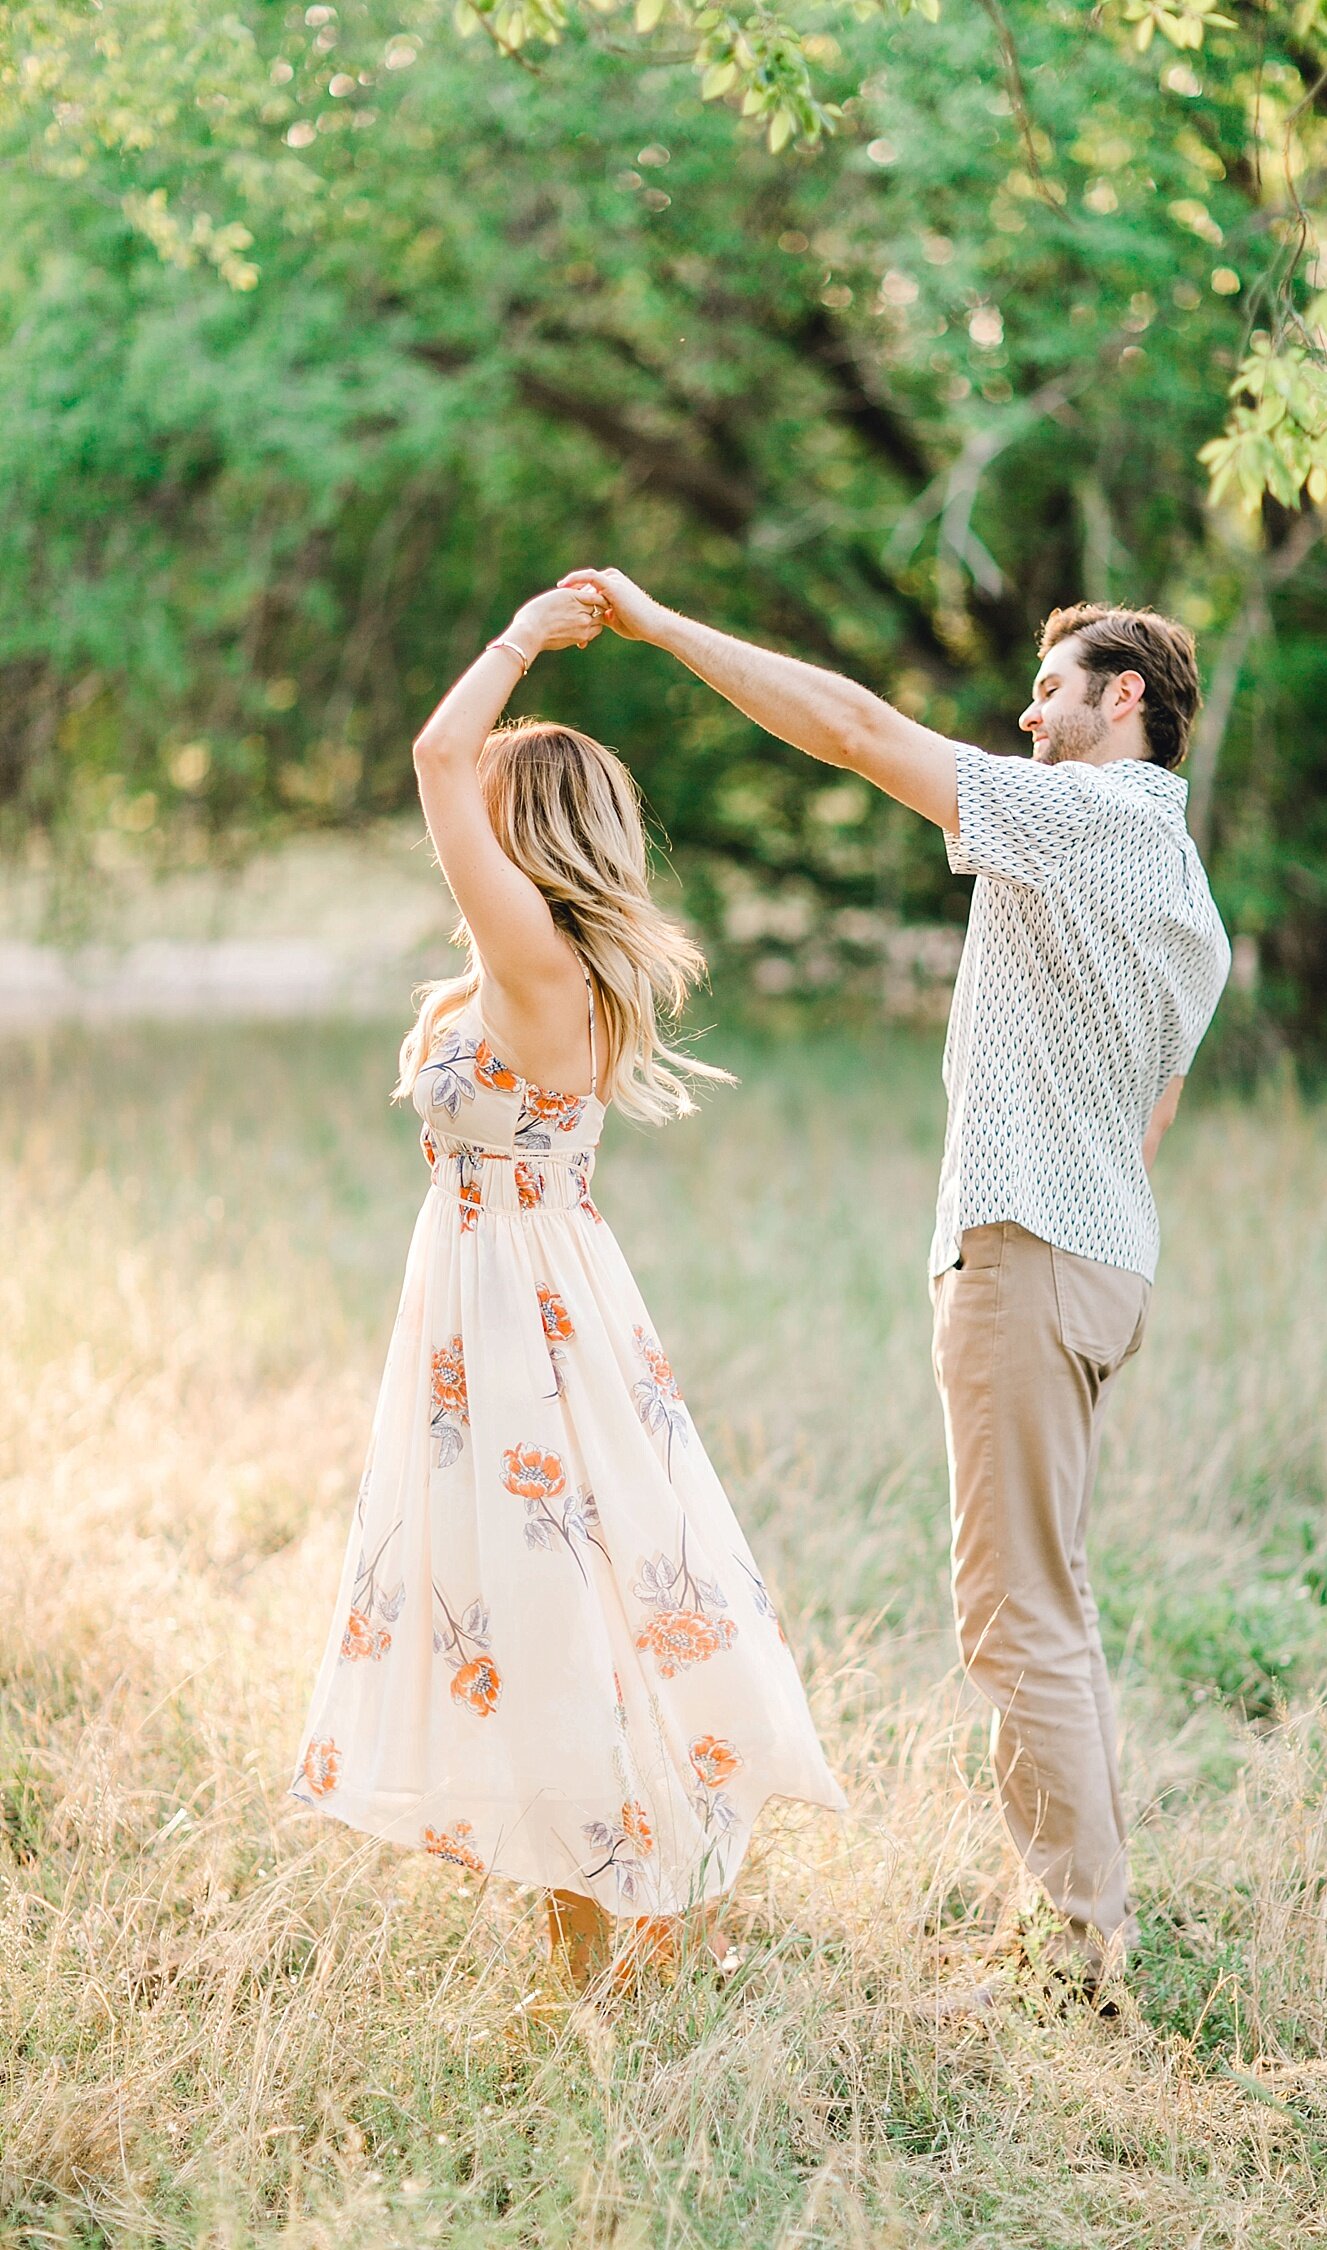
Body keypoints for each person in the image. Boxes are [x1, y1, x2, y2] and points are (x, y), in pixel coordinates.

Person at [562, 569, 1231, 2000]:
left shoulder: (1087, 815)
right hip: (1103, 1255)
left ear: (1127, 701)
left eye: (1053, 688)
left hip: (1030, 1251)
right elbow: (1151, 1118)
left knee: (1016, 1613)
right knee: (1052, 1600)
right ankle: (1073, 1915)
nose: (1026, 711)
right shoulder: (1189, 894)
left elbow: (862, 732)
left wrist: (669, 625)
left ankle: (1074, 1951)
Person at [289, 582, 845, 1986]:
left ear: (522, 828)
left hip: (519, 1305)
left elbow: (429, 756)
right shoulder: (532, 967)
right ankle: (609, 1920)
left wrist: (527, 632)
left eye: (487, 812)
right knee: (546, 1581)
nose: (454, 832)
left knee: (545, 1591)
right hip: (506, 1295)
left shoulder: (536, 960)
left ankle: (605, 1931)